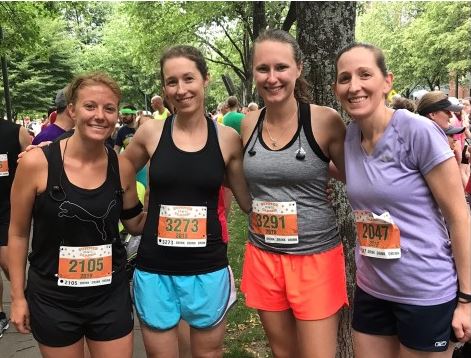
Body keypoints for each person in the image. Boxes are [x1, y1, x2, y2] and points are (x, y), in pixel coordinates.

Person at [334, 43, 471, 357]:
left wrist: (467, 299)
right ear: (336, 88)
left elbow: (459, 216)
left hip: (424, 291)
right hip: (372, 290)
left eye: (364, 74)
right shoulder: (350, 136)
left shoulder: (418, 132)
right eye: (345, 78)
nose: (354, 86)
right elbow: (362, 181)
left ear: (387, 81)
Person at [122, 45, 251, 358]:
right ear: (164, 87)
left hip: (207, 268)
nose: (180, 90)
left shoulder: (227, 139)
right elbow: (120, 170)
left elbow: (248, 200)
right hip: (155, 268)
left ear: (205, 79)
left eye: (188, 79)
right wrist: (132, 216)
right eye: (171, 82)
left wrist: (314, 188)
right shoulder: (150, 132)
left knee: (208, 353)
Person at [8, 72, 147, 357]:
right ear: (72, 110)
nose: (100, 115)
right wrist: (18, 296)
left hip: (109, 294)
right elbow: (18, 232)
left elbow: (134, 223)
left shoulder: (121, 168)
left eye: (109, 108)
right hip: (53, 298)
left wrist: (170, 188)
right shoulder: (37, 163)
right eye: (90, 106)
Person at [240, 29, 348, 358]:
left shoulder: (324, 121)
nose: (272, 78)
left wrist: (321, 175)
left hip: (315, 258)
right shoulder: (248, 124)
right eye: (263, 69)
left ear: (298, 68)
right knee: (283, 353)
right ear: (253, 72)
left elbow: (355, 176)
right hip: (263, 256)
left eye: (281, 68)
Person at [0, 119, 31, 337]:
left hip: (7, 209)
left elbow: (30, 167)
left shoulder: (16, 132)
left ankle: (24, 297)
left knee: (8, 262)